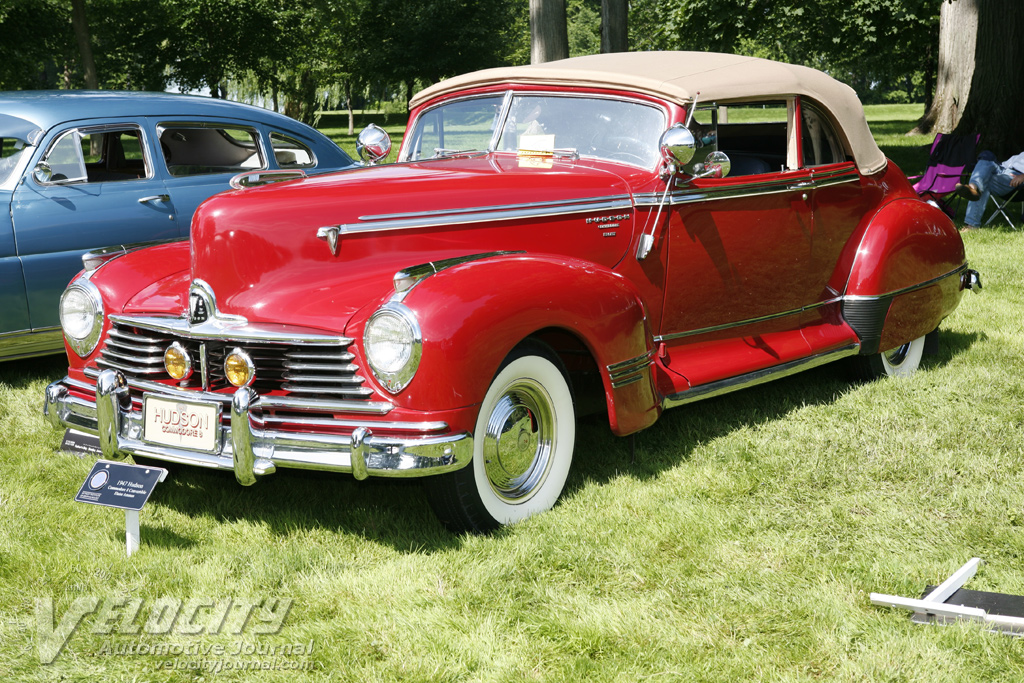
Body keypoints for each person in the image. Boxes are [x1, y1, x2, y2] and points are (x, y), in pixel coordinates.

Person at [956, 149, 1024, 228]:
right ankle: (973, 186)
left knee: (984, 181)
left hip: (1015, 177)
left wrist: (1023, 176)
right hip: (1002, 168)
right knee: (986, 155)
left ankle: (972, 225)